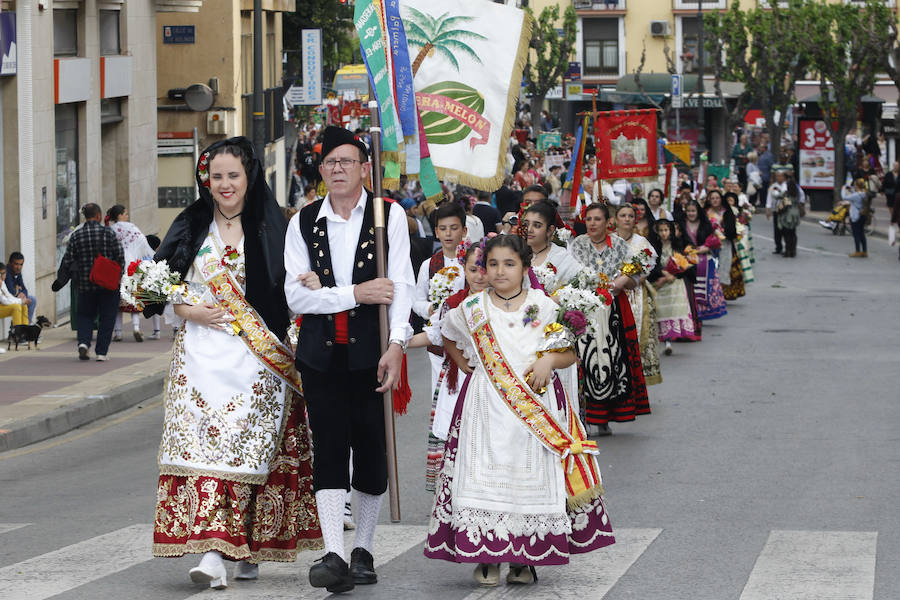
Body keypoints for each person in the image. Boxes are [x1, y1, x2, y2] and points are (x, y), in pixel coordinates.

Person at [149, 137, 321, 586]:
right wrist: (190, 310)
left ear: (249, 177)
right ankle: (211, 554)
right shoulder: (190, 224)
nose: (224, 185)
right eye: (216, 176)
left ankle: (245, 542)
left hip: (257, 361)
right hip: (200, 358)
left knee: (247, 453)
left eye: (233, 175)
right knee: (207, 450)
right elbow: (160, 286)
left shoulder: (274, 226)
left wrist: (311, 280)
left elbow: (293, 290)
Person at [424, 234, 615, 585]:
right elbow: (445, 333)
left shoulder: (545, 305)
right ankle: (487, 554)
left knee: (525, 478)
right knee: (485, 473)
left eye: (509, 264)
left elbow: (570, 352)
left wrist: (551, 361)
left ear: (526, 267)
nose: (500, 271)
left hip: (534, 406)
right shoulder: (471, 308)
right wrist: (462, 361)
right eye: (493, 264)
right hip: (485, 405)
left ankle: (524, 558)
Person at [284, 126, 414, 593]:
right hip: (320, 356)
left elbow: (399, 285)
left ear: (365, 168)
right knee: (331, 451)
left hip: (374, 355)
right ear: (320, 172)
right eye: (329, 162)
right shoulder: (303, 221)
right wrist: (355, 293)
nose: (337, 169)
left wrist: (398, 344)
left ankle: (363, 547)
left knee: (372, 452)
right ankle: (333, 553)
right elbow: (296, 297)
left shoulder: (388, 216)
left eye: (346, 161)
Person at [408, 242, 489, 492]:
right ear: (464, 269)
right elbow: (434, 335)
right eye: (473, 269)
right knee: (455, 440)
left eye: (485, 269)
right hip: (457, 379)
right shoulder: (452, 303)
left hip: (491, 380)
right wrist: (396, 343)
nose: (479, 276)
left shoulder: (499, 302)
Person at [569, 203, 649, 434]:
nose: (592, 224)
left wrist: (624, 281)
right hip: (585, 309)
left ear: (607, 222)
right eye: (589, 219)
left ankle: (605, 418)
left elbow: (635, 278)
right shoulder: (577, 246)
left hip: (614, 310)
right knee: (587, 361)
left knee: (613, 360)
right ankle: (585, 416)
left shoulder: (621, 246)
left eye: (597, 219)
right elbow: (569, 278)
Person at [50, 204, 124, 361]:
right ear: (98, 216)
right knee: (107, 316)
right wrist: (118, 277)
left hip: (84, 284)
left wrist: (62, 279)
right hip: (107, 284)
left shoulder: (77, 236)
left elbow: (68, 260)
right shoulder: (108, 233)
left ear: (85, 216)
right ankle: (101, 352)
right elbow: (120, 257)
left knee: (84, 315)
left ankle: (83, 343)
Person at [413, 202, 468, 402]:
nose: (448, 234)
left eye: (454, 228)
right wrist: (431, 308)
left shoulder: (473, 262)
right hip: (438, 346)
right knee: (443, 396)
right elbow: (416, 300)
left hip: (467, 343)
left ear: (464, 231)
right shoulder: (429, 265)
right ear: (436, 232)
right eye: (443, 229)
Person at [615, 204, 662, 386]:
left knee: (637, 338)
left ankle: (637, 381)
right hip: (613, 293)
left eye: (630, 216)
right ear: (615, 219)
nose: (627, 219)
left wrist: (627, 280)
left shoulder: (642, 243)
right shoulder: (609, 241)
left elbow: (644, 273)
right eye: (623, 215)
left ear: (635, 220)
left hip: (636, 294)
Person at [105, 205, 156, 342]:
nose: (127, 216)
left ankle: (119, 332)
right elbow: (143, 245)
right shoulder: (132, 228)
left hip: (116, 269)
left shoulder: (110, 230)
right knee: (134, 300)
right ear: (120, 215)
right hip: (132, 268)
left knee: (117, 302)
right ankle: (136, 328)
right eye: (125, 213)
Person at [649, 220, 700, 356]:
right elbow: (651, 265)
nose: (664, 233)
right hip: (660, 284)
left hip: (676, 284)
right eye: (661, 230)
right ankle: (665, 341)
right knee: (661, 313)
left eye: (666, 230)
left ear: (671, 231)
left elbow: (685, 264)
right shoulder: (654, 246)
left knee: (674, 311)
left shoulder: (678, 244)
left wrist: (673, 273)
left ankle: (669, 341)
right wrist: (663, 274)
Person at [680, 199, 727, 320]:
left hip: (705, 260)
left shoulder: (706, 224)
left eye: (693, 211)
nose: (691, 213)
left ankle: (702, 314)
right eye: (689, 211)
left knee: (706, 288)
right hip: (687, 261)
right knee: (689, 289)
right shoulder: (681, 225)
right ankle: (691, 313)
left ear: (698, 211)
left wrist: (702, 249)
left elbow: (713, 241)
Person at [522, 202, 580, 291]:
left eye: (537, 225)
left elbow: (579, 283)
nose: (529, 229)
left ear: (549, 230)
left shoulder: (561, 257)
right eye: (526, 224)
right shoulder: (516, 252)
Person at [705, 190, 744, 300]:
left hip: (724, 244)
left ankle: (720, 294)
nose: (715, 200)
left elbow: (732, 229)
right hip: (709, 244)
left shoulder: (727, 212)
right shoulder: (705, 212)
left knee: (723, 268)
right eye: (712, 198)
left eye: (717, 198)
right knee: (710, 268)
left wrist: (724, 232)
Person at [768, 172, 803, 259]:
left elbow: (776, 196)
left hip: (787, 215)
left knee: (787, 233)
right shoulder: (796, 193)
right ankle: (793, 250)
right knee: (793, 233)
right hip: (795, 214)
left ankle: (788, 251)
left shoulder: (786, 194)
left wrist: (774, 190)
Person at [5, 252, 35, 324]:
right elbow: (11, 291)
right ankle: (17, 330)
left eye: (21, 264)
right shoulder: (6, 272)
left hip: (15, 297)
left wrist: (23, 294)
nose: (19, 267)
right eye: (16, 264)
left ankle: (26, 328)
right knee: (22, 303)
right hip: (5, 299)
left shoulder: (18, 272)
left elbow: (24, 289)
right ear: (10, 263)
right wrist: (18, 290)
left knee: (32, 300)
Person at [843, 178, 869, 258]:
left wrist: (843, 189)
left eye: (854, 185)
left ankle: (857, 251)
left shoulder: (855, 195)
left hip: (855, 216)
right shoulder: (864, 193)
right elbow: (857, 195)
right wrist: (852, 190)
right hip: (863, 215)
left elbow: (844, 197)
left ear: (856, 186)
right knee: (862, 233)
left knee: (856, 234)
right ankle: (864, 251)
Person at [0, 262, 29, 330]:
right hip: (2, 305)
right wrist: (20, 301)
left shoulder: (2, 282)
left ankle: (25, 333)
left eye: (4, 273)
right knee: (16, 307)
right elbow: (4, 300)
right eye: (0, 274)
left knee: (23, 305)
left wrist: (22, 301)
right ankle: (17, 334)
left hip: (2, 305)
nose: (2, 276)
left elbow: (8, 296)